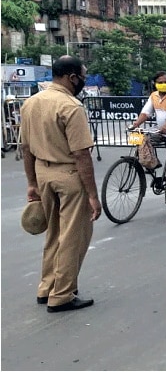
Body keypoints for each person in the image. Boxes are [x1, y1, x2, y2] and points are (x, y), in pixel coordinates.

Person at [20, 55, 101, 313]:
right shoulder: (71, 106)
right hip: (68, 176)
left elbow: (25, 147)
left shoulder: (31, 103)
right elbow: (81, 154)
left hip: (43, 173)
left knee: (53, 233)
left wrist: (31, 182)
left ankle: (47, 288)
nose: (84, 80)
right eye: (83, 76)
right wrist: (93, 196)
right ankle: (62, 294)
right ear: (71, 77)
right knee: (73, 237)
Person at [130, 71, 166, 206]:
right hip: (161, 131)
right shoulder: (153, 96)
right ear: (155, 84)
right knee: (142, 139)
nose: (163, 84)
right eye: (160, 82)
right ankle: (152, 163)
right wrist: (136, 124)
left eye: (165, 82)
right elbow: (145, 112)